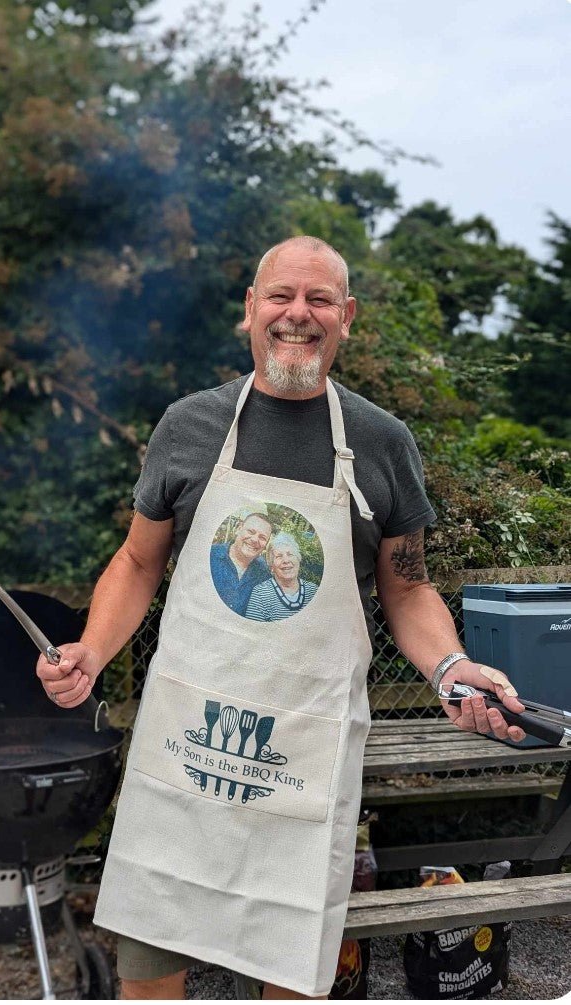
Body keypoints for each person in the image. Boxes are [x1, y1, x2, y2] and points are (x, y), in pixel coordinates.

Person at [37, 236, 526, 1001]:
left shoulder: (380, 443)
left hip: (300, 762)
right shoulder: (189, 427)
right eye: (280, 297)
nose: (297, 314)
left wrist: (448, 665)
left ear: (346, 317)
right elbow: (137, 562)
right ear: (250, 311)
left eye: (318, 300)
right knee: (150, 964)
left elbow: (406, 587)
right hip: (186, 754)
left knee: (291, 970)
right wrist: (92, 652)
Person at [210, 511, 274, 614]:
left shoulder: (264, 574)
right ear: (238, 529)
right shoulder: (210, 555)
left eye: (262, 537)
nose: (254, 539)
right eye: (251, 532)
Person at [246, 531, 317, 620]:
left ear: (298, 559)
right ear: (272, 566)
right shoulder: (260, 593)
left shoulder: (314, 590)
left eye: (290, 554)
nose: (286, 560)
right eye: (279, 556)